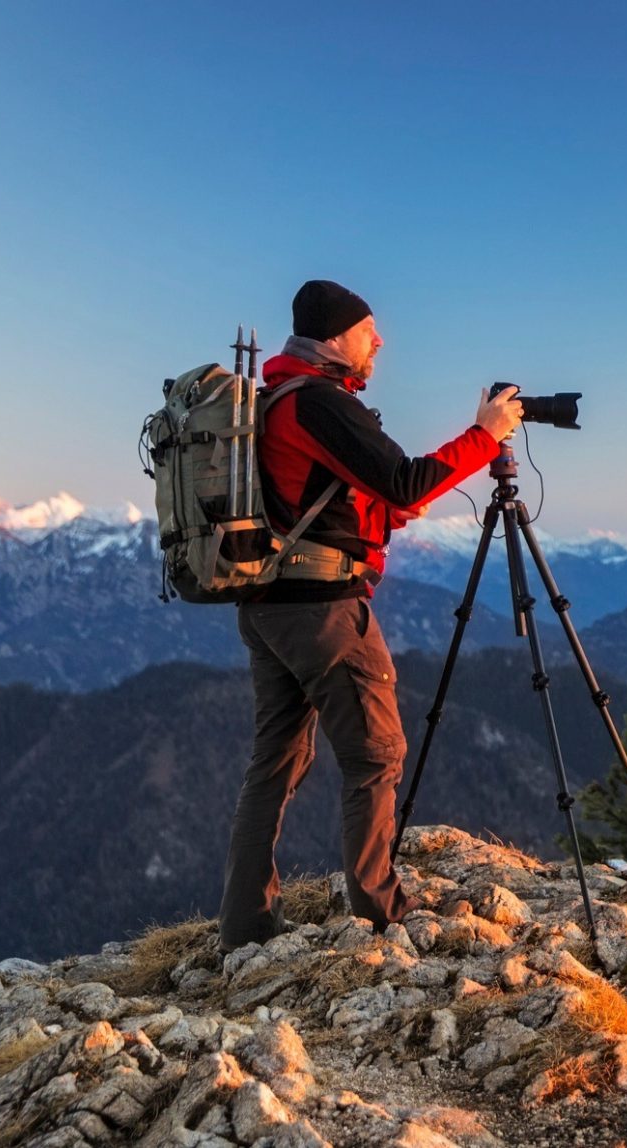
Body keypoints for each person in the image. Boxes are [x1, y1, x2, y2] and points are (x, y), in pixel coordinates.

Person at [218, 279, 524, 950]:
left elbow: (314, 501)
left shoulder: (277, 401)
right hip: (324, 612)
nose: (379, 342)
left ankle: (243, 927)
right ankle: (384, 915)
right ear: (332, 337)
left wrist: (381, 514)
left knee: (273, 764)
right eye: (367, 331)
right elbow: (406, 479)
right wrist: (485, 435)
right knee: (376, 756)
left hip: (269, 606)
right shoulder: (320, 402)